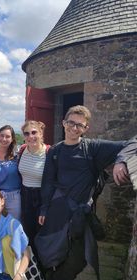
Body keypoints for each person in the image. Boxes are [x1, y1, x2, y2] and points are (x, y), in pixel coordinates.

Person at [38, 105, 137, 280]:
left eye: (80, 125)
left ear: (86, 129)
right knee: (53, 250)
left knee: (79, 258)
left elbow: (133, 141)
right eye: (71, 123)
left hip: (80, 213)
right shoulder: (55, 151)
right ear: (63, 123)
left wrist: (121, 160)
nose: (74, 128)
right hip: (58, 209)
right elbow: (48, 181)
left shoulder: (92, 148)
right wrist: (44, 209)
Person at [18, 121, 49, 255]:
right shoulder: (22, 149)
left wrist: (46, 208)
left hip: (42, 197)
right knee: (28, 232)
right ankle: (32, 267)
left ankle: (45, 268)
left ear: (41, 133)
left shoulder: (49, 152)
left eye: (34, 132)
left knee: (42, 234)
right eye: (27, 133)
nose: (31, 136)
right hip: (25, 196)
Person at [0, 125, 23, 220]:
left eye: (7, 136)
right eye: (2, 135)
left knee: (13, 225)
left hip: (14, 197)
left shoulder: (17, 155)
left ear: (12, 139)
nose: (4, 139)